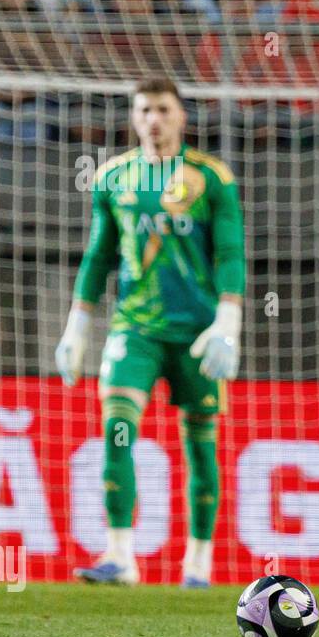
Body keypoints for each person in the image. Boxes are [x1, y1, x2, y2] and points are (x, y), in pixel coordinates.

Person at [56, 78, 245, 589]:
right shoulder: (114, 176)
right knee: (117, 431)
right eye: (144, 111)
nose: (153, 119)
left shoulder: (212, 178)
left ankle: (198, 565)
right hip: (134, 329)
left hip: (198, 333)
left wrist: (229, 321)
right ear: (134, 119)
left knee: (201, 448)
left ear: (181, 116)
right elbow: (98, 255)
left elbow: (230, 255)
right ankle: (120, 556)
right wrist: (77, 323)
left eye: (163, 109)